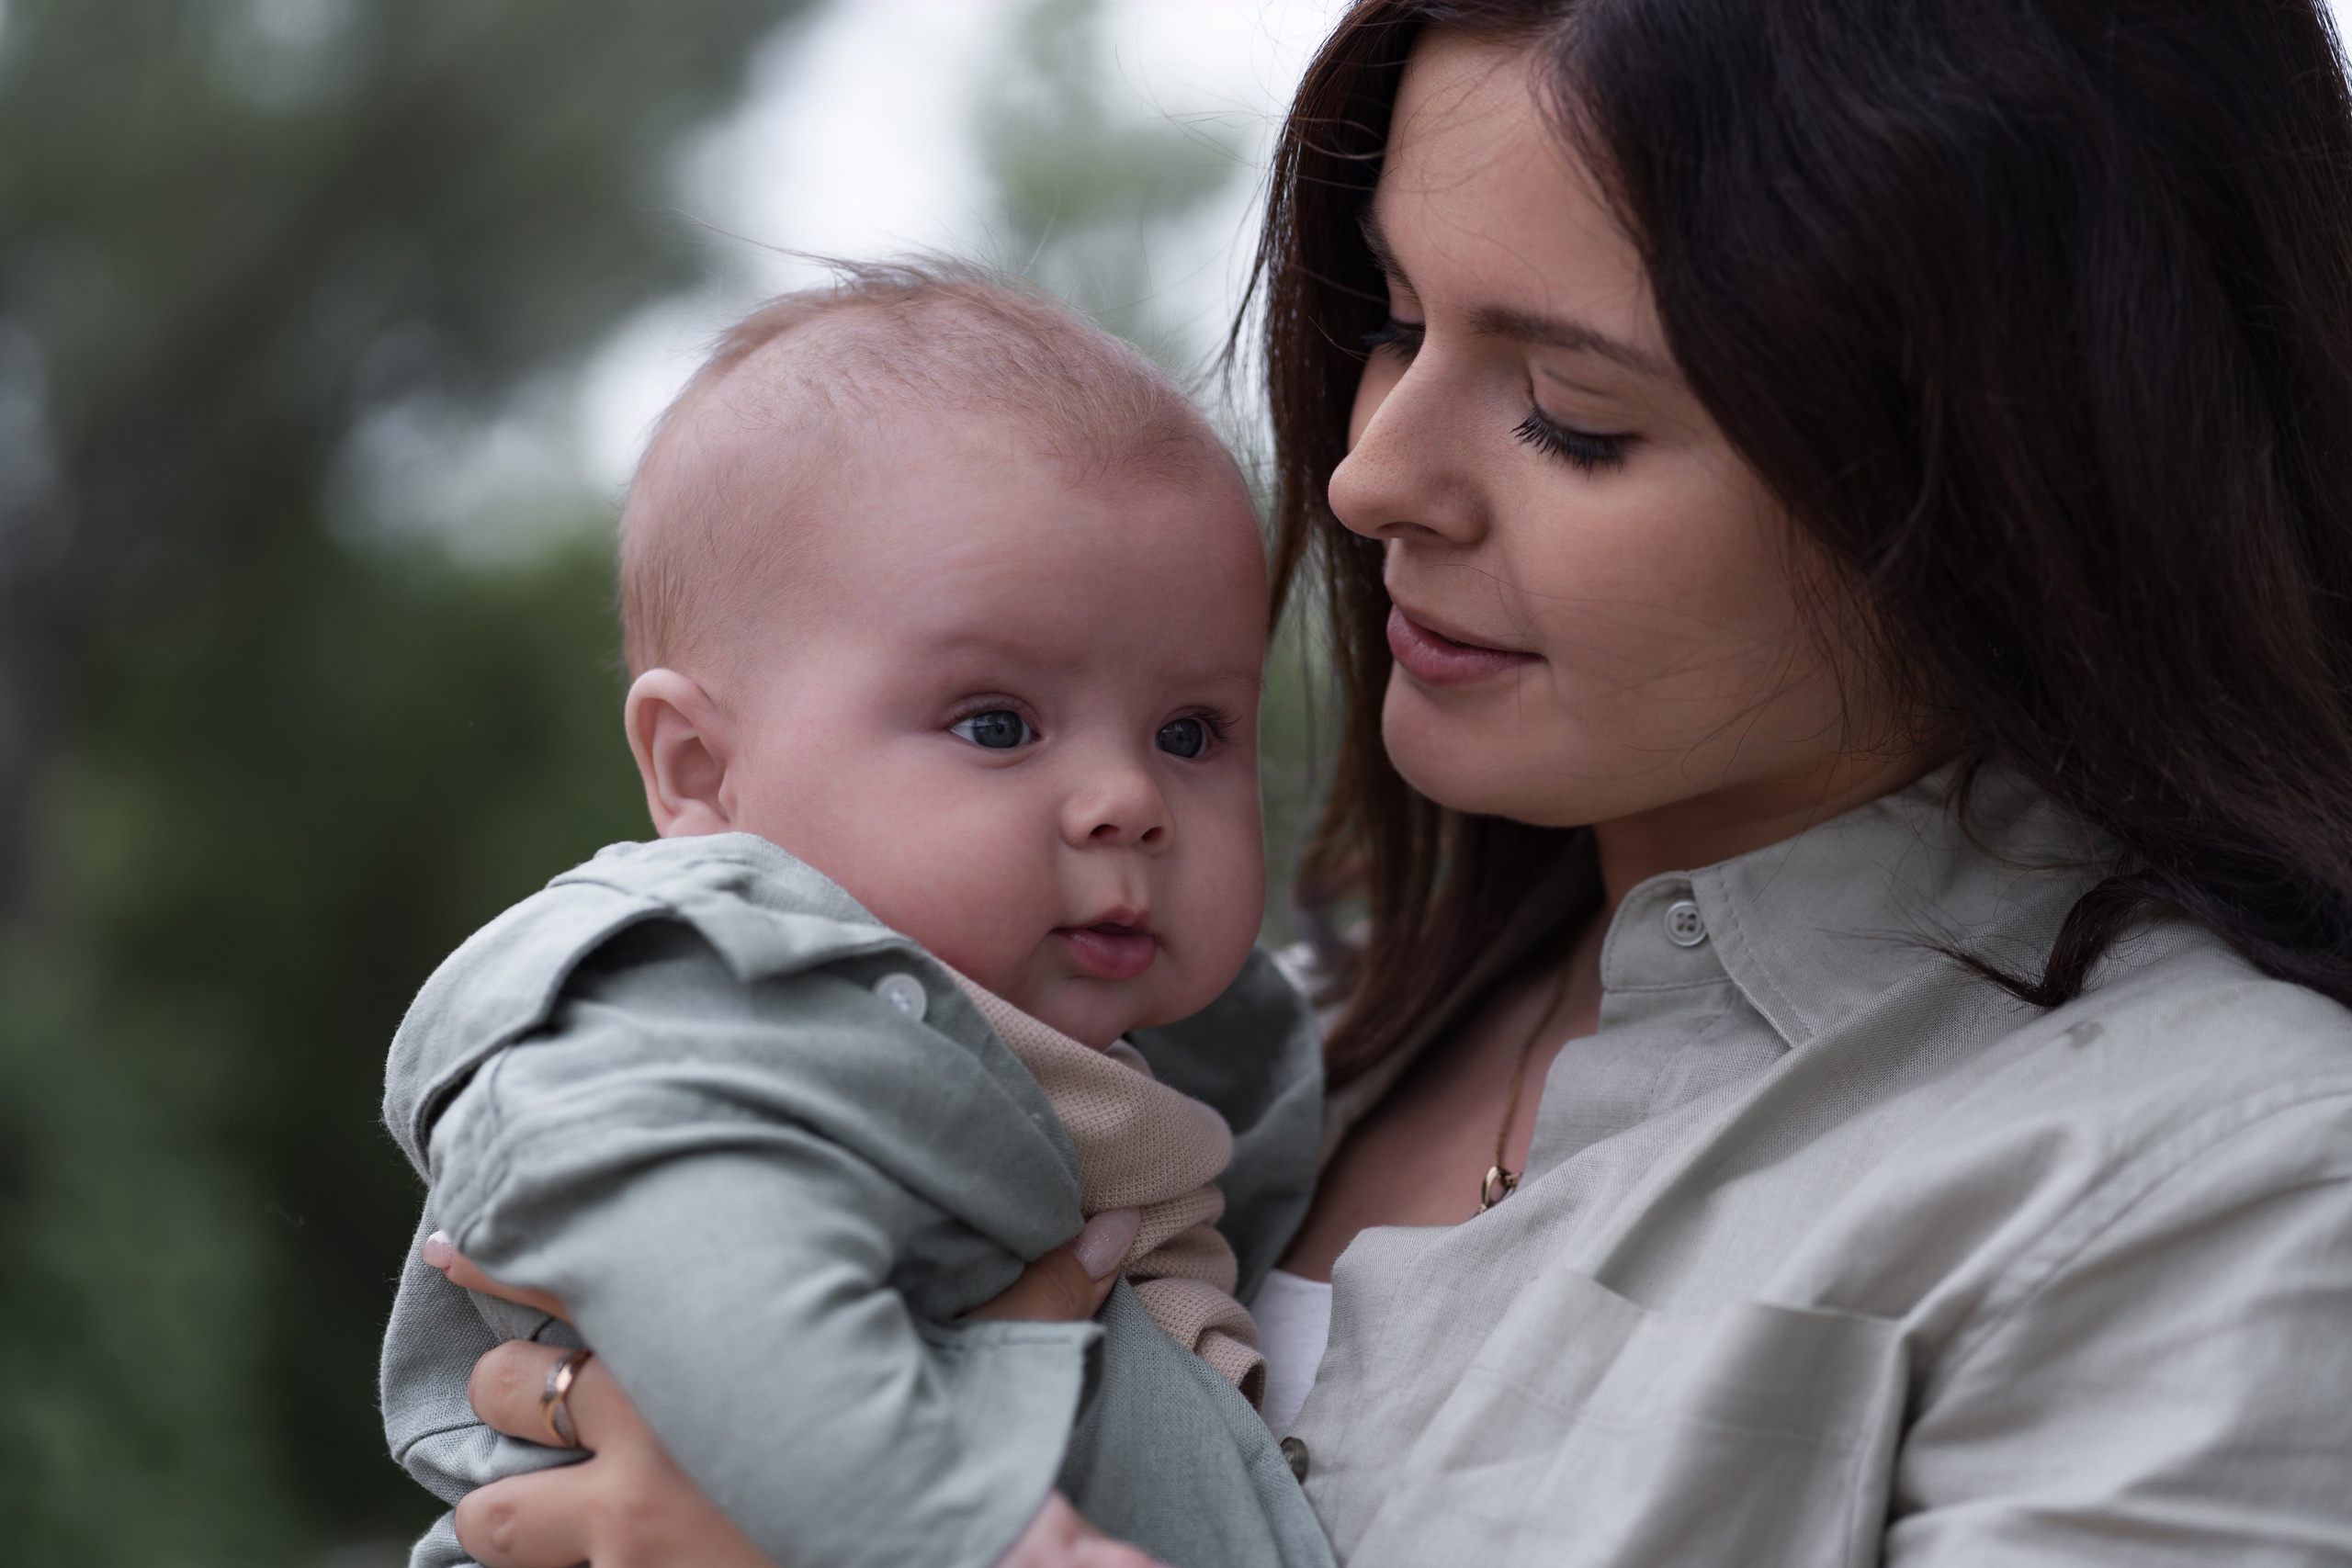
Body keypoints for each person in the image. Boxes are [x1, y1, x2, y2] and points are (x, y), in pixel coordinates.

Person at [435, 1, 2352, 1563]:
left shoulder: (2218, 1185)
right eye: (1397, 322)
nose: (1363, 481)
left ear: (2013, 471)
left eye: (1571, 416)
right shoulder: (1234, 1033)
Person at [376, 263, 1334, 1568]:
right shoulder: (695, 1003)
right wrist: (976, 1536)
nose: (1128, 801)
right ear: (701, 770)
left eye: (1191, 730)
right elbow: (721, 1290)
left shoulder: (1173, 1067)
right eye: (997, 724)